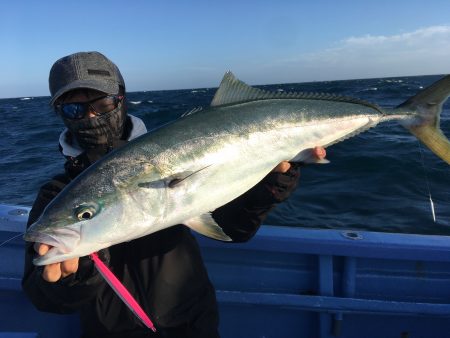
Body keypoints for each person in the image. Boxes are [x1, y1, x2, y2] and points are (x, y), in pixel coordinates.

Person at [22, 51, 325, 338]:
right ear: (60, 114)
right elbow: (42, 296)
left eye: (102, 104)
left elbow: (234, 230)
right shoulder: (57, 197)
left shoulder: (176, 152)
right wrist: (74, 279)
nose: (90, 117)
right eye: (74, 109)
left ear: (121, 99)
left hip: (193, 323)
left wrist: (266, 189)